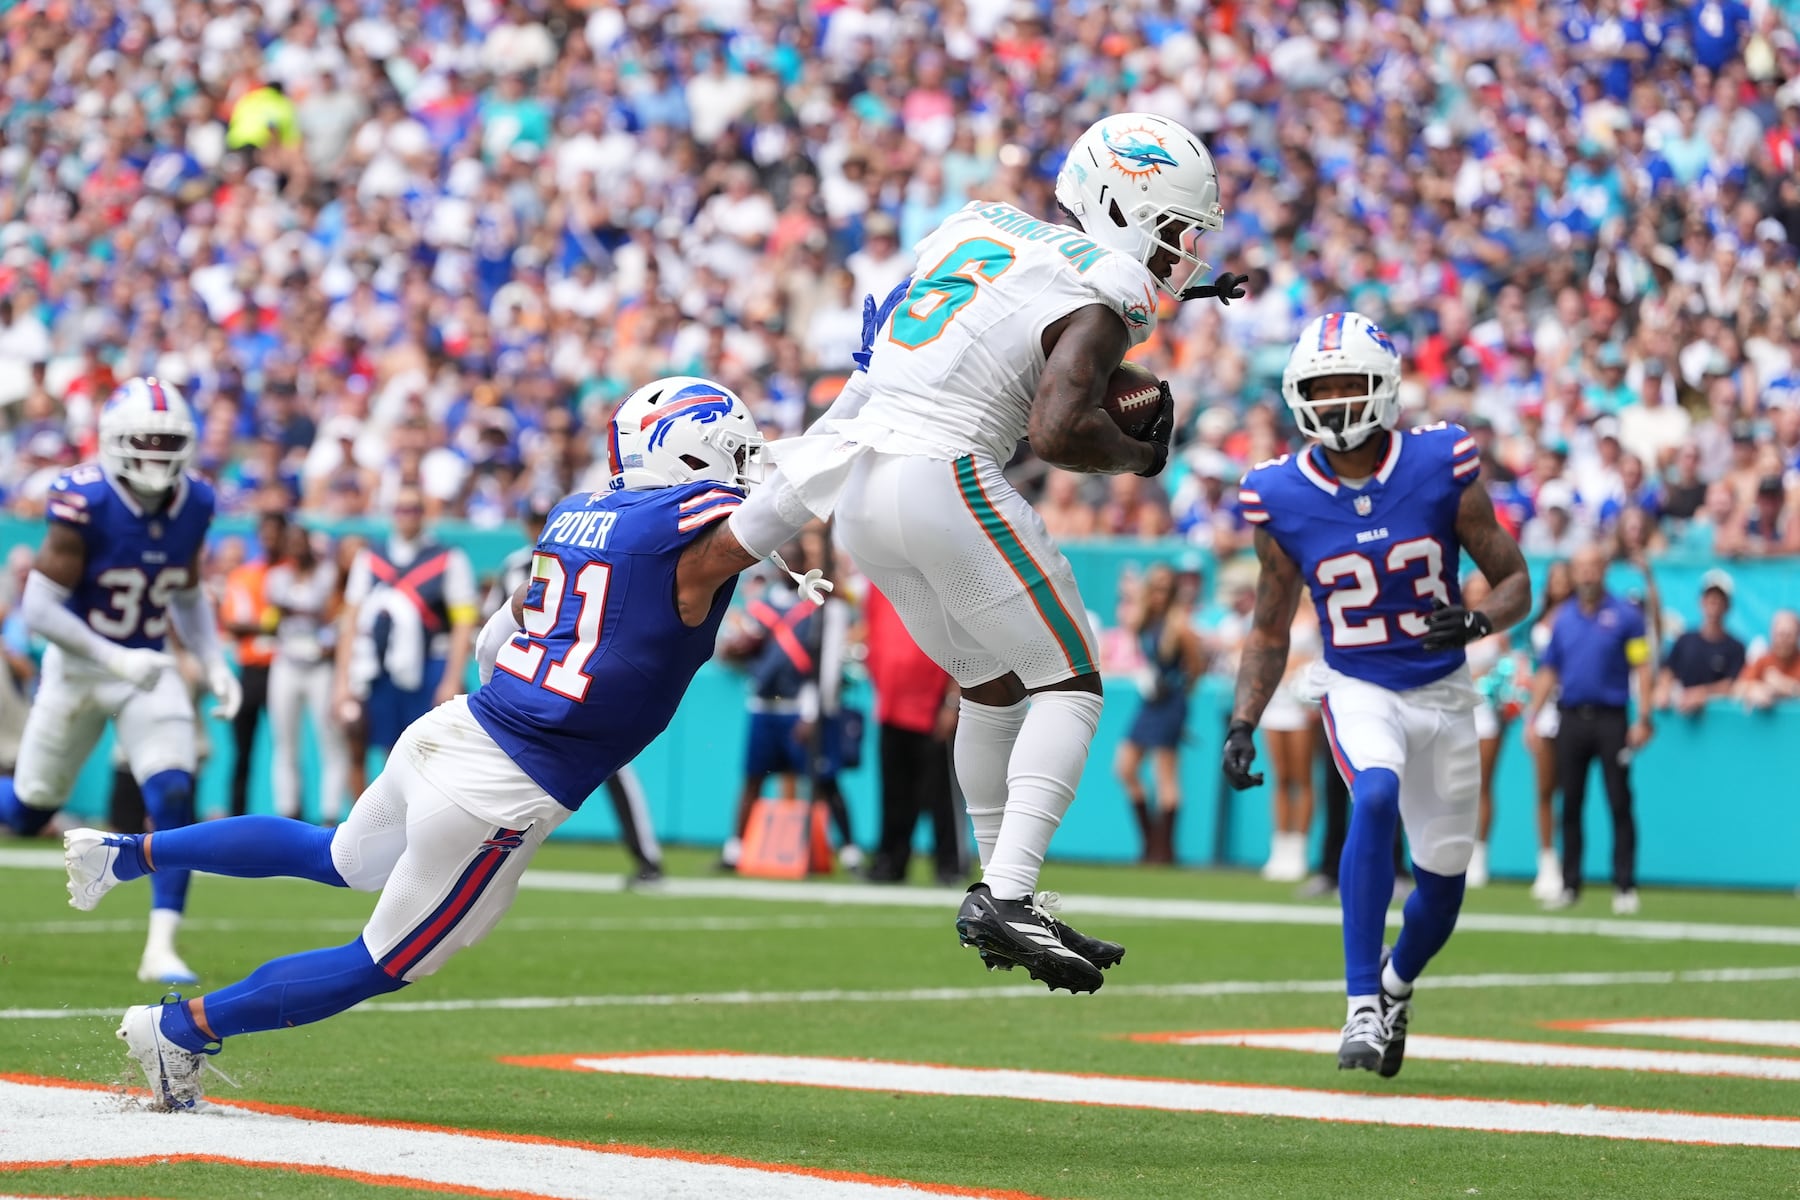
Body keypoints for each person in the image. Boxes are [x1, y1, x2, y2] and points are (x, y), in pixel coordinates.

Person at [67, 376, 813, 1110]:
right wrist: (881, 415)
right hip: (501, 785)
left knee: (334, 856)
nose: (746, 466)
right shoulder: (690, 549)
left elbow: (507, 621)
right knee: (380, 963)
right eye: (733, 451)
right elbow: (786, 506)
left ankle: (129, 853)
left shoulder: (582, 513)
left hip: (457, 726)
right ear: (688, 454)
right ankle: (180, 1029)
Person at [728, 112, 1244, 993]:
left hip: (858, 488)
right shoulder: (1115, 279)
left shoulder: (975, 225)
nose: (1183, 253)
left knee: (991, 685)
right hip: (944, 476)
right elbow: (1054, 430)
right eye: (1174, 231)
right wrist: (1143, 453)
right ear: (1122, 205)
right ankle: (1008, 893)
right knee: (1073, 678)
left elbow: (874, 369)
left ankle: (1009, 890)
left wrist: (776, 498)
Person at [1222, 311, 1531, 1076]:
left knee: (1443, 886)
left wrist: (1477, 620)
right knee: (1374, 793)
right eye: (1316, 388)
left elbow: (1518, 582)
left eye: (1346, 384)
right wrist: (1243, 718)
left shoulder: (1440, 464)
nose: (1330, 402)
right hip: (1358, 685)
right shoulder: (1279, 494)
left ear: (1384, 388)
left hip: (1446, 693)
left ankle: (1395, 986)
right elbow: (1268, 626)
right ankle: (1361, 1001)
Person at [0, 377, 242, 985]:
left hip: (149, 666)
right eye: (146, 439)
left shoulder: (197, 503)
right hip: (79, 668)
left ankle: (161, 945)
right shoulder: (85, 499)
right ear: (113, 442)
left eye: (169, 440)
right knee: (30, 810)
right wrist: (114, 657)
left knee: (175, 796)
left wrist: (213, 662)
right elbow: (40, 609)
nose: (158, 453)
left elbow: (186, 592)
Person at [485, 493, 664, 882]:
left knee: (613, 770)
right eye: (533, 520)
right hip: (538, 678)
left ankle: (646, 856)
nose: (537, 528)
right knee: (510, 770)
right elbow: (495, 624)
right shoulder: (518, 565)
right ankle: (488, 855)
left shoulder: (587, 554)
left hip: (571, 675)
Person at [718, 528, 858, 873]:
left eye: (794, 560)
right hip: (764, 704)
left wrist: (813, 712)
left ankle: (850, 851)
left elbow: (822, 666)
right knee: (753, 777)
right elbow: (732, 655)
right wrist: (737, 651)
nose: (787, 566)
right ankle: (733, 850)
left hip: (799, 705)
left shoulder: (816, 608)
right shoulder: (760, 606)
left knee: (824, 779)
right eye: (782, 560)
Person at [1527, 545, 1655, 914]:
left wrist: (1644, 716)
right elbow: (1549, 670)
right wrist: (1533, 715)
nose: (1586, 574)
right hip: (1570, 717)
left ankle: (1625, 885)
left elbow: (1642, 667)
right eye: (1580, 567)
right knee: (1570, 803)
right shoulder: (1563, 619)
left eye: (1592, 567)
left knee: (1619, 801)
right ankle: (1570, 884)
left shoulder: (1626, 616)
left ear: (1603, 570)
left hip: (1611, 718)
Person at [333, 485, 478, 768]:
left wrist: (451, 679)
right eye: (401, 509)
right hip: (382, 665)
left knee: (431, 751)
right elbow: (351, 621)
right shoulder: (370, 558)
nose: (407, 516)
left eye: (414, 509)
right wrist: (342, 681)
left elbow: (463, 623)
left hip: (431, 663)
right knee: (388, 750)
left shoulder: (449, 558)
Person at [863, 586, 964, 885]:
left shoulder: (942, 584)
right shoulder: (879, 586)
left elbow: (963, 647)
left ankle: (949, 864)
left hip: (932, 706)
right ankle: (891, 861)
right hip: (891, 704)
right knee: (894, 793)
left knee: (940, 794)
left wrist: (952, 701)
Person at [1115, 563, 1207, 865]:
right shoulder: (1147, 621)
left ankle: (1162, 851)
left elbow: (1196, 666)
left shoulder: (1179, 626)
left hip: (1169, 701)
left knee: (1165, 775)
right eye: (1155, 587)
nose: (1160, 594)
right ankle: (1151, 842)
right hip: (1150, 701)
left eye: (1166, 589)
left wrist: (1176, 688)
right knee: (1125, 767)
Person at [264, 523, 347, 824]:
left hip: (321, 665)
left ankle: (329, 814)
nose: (297, 547)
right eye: (291, 542)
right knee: (285, 741)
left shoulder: (328, 574)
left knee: (329, 740)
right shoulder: (277, 577)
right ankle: (288, 812)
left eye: (301, 541)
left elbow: (334, 613)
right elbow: (272, 617)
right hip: (287, 661)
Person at [1461, 571, 1527, 889]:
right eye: (1472, 590)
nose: (1476, 595)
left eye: (1482, 590)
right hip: (1455, 715)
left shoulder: (1499, 632)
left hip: (1486, 715)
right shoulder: (1453, 626)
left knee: (1482, 785)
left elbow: (1511, 672)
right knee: (1453, 787)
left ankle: (1479, 855)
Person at [219, 513, 284, 817]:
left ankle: (289, 820)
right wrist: (270, 625)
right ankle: (236, 818)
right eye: (266, 533)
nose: (270, 539)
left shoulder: (290, 572)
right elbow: (234, 623)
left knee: (286, 749)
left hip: (283, 669)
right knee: (242, 751)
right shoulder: (244, 575)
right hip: (251, 669)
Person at [1522, 560, 1574, 900]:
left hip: (1570, 705)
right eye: (1552, 577)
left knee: (1570, 789)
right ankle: (1547, 861)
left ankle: (1570, 866)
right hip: (1544, 707)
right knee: (1544, 788)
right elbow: (1527, 658)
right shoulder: (1537, 621)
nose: (1558, 583)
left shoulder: (1577, 618)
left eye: (1563, 577)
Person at [1257, 605, 1321, 882]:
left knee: (1302, 777)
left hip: (1302, 701)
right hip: (1274, 700)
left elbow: (1321, 651)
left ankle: (1298, 850)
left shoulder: (1316, 609)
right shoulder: (1272, 606)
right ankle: (1280, 849)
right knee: (1281, 777)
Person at [1655, 570, 1746, 713]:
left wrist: (1702, 694)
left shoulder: (1735, 647)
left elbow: (1732, 684)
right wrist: (1664, 689)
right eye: (1710, 598)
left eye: (1719, 600)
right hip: (1683, 720)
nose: (1714, 604)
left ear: (1727, 606)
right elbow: (1668, 670)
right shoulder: (1685, 640)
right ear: (1701, 602)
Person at [1738, 610, 1800, 710]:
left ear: (1797, 635)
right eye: (1780, 634)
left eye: (1789, 635)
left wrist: (1787, 686)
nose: (1783, 640)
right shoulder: (1763, 660)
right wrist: (1754, 690)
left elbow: (1788, 687)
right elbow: (1738, 687)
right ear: (1772, 634)